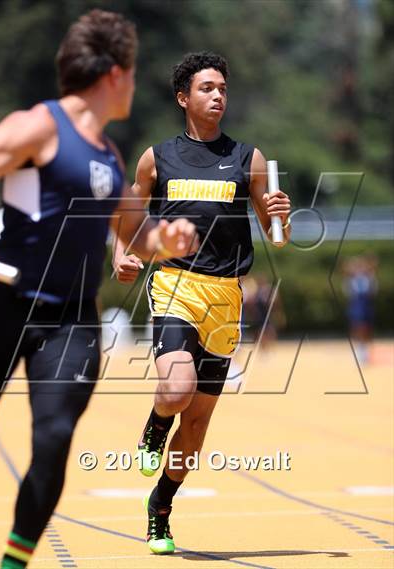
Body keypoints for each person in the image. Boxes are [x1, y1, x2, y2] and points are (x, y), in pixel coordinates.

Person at [0, 11, 197, 569]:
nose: (135, 81)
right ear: (115, 75)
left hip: (72, 321)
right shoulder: (39, 126)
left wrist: (163, 239)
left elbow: (134, 233)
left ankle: (11, 564)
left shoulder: (106, 154)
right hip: (3, 304)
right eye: (134, 71)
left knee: (52, 441)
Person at [113, 52, 291, 554]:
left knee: (195, 427)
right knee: (176, 389)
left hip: (226, 296)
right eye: (207, 88)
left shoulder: (248, 159)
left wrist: (282, 214)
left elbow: (278, 237)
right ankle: (153, 426)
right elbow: (127, 217)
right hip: (175, 285)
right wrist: (122, 258)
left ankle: (160, 507)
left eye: (223, 89)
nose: (218, 96)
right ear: (183, 98)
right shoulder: (157, 158)